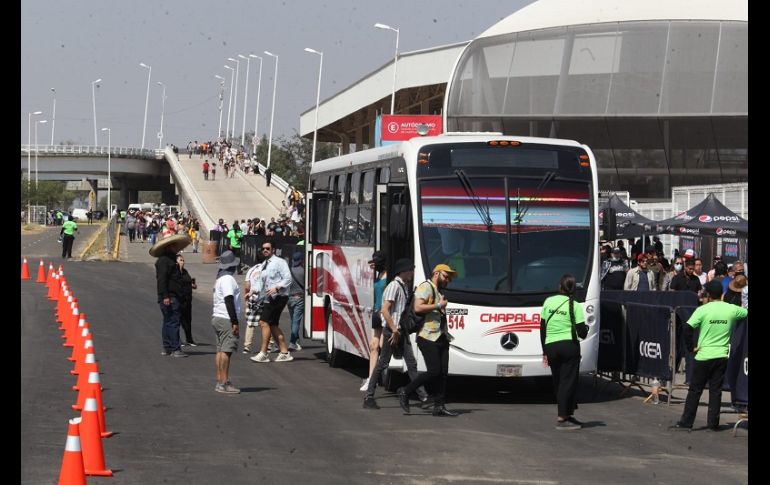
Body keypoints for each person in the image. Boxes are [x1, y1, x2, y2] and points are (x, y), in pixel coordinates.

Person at [671, 280, 748, 431]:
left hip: (703, 356)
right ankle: (713, 424)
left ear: (708, 294)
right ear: (722, 294)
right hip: (721, 355)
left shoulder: (703, 310)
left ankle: (686, 422)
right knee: (716, 390)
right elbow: (746, 312)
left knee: (695, 390)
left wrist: (691, 348)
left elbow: (687, 328)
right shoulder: (731, 309)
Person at [364, 258, 429, 410]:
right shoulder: (394, 286)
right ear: (404, 271)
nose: (412, 273)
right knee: (383, 363)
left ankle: (423, 396)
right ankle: (369, 396)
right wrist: (394, 329)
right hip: (392, 331)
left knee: (411, 363)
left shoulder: (404, 286)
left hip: (400, 331)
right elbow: (385, 310)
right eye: (410, 270)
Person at [397, 263, 458, 417]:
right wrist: (438, 305)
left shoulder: (439, 290)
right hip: (427, 336)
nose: (447, 280)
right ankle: (405, 391)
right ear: (436, 273)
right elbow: (418, 308)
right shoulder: (425, 286)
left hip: (441, 336)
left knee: (443, 373)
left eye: (449, 278)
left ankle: (439, 406)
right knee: (434, 371)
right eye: (446, 276)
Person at [540, 274, 589, 430]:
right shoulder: (575, 305)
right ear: (573, 289)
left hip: (551, 346)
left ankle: (568, 415)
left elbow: (542, 328)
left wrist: (544, 352)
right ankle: (562, 418)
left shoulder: (548, 302)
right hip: (569, 347)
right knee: (568, 383)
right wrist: (585, 329)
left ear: (559, 286)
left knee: (559, 382)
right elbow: (582, 333)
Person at [250, 240, 294, 363]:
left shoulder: (279, 262)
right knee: (273, 324)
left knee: (264, 322)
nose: (265, 250)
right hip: (268, 298)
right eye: (263, 248)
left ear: (273, 249)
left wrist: (277, 287)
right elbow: (261, 283)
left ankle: (264, 353)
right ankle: (284, 352)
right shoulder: (264, 264)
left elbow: (288, 278)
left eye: (268, 248)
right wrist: (253, 291)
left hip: (279, 297)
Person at [152, 234, 191, 358]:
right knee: (173, 322)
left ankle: (168, 347)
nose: (177, 248)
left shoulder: (169, 260)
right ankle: (175, 348)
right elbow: (162, 280)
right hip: (170, 296)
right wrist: (165, 296)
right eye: (174, 245)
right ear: (169, 247)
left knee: (168, 322)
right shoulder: (165, 261)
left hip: (170, 296)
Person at [212, 250, 242, 394]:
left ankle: (219, 380)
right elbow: (229, 299)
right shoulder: (228, 280)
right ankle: (224, 382)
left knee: (220, 349)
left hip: (217, 316)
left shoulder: (219, 279)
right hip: (226, 318)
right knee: (227, 351)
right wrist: (234, 321)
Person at [360, 251, 387, 391]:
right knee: (373, 345)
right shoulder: (379, 275)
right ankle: (371, 379)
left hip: (385, 314)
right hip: (376, 312)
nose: (374, 265)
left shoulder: (389, 277)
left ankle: (379, 375)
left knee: (382, 345)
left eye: (376, 263)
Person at [177, 254, 198, 347]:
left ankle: (189, 339)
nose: (183, 262)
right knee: (178, 320)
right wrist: (180, 270)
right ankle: (177, 339)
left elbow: (189, 282)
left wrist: (193, 285)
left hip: (188, 300)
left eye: (183, 260)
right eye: (180, 260)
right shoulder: (176, 273)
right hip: (179, 300)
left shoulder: (185, 272)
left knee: (188, 320)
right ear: (176, 262)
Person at [287, 251, 305, 351]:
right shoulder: (304, 271)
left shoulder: (289, 271)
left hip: (289, 298)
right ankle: (292, 342)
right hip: (299, 298)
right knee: (296, 321)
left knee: (293, 320)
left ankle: (296, 341)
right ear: (301, 260)